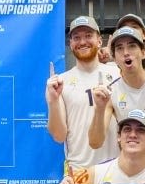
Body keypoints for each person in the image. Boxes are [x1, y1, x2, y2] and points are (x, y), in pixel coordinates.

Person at [88, 26, 145, 170]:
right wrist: (99, 108)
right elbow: (95, 143)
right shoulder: (111, 92)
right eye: (120, 48)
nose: (126, 53)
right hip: (132, 174)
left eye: (132, 46)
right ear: (114, 58)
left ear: (143, 52)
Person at [46, 15, 120, 171]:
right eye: (76, 37)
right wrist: (52, 101)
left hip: (116, 170)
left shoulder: (118, 74)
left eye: (88, 36)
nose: (82, 42)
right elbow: (59, 136)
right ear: (70, 44)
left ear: (99, 40)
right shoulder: (61, 82)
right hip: (80, 171)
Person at [60, 109, 145, 184]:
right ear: (119, 137)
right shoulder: (94, 174)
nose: (132, 135)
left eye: (141, 130)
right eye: (127, 129)